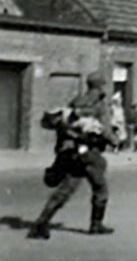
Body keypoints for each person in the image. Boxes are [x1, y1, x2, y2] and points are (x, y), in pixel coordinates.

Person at [28, 72, 119, 240]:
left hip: (73, 152)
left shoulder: (76, 102)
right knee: (100, 188)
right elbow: (104, 128)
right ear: (100, 86)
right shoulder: (99, 104)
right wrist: (114, 140)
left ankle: (41, 223)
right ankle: (96, 224)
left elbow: (65, 125)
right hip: (90, 152)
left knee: (65, 190)